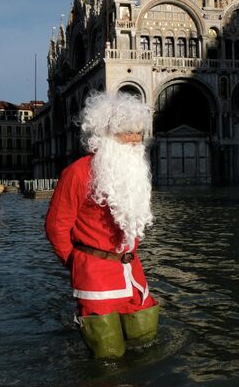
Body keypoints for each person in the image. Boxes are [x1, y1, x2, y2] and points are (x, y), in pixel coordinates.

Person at [45, 91, 159, 359]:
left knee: (147, 343)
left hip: (133, 274)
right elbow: (56, 227)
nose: (135, 139)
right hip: (95, 277)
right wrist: (76, 262)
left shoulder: (134, 172)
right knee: (108, 357)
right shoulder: (77, 173)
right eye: (126, 132)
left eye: (138, 132)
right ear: (106, 134)